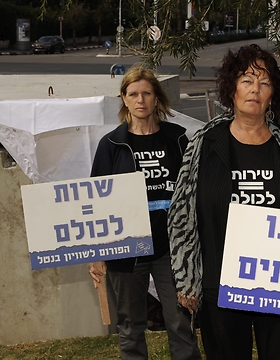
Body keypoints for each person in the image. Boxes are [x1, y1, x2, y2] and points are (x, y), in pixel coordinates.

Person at [167, 44, 280, 360]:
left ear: (273, 94)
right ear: (231, 89)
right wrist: (187, 278)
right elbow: (182, 213)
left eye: (264, 83)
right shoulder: (203, 146)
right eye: (246, 80)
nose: (255, 89)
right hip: (220, 283)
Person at [87, 66, 202, 360]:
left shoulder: (177, 139)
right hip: (127, 250)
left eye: (147, 93)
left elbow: (191, 193)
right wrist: (96, 252)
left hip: (171, 250)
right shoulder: (111, 145)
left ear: (157, 98)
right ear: (123, 99)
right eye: (133, 94)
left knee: (180, 321)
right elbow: (95, 201)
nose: (141, 100)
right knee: (130, 326)